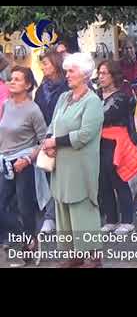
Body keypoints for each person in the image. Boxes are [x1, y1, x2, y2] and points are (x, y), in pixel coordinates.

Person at [41, 53, 105, 268]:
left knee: (82, 208)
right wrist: (49, 141)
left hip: (81, 164)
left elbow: (85, 134)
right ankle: (73, 255)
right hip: (61, 164)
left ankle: (94, 257)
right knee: (63, 206)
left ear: (85, 75)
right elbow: (53, 124)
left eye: (72, 71)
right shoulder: (63, 98)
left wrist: (56, 142)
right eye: (67, 71)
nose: (67, 75)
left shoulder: (93, 101)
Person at [0, 67, 46, 262]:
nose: (12, 82)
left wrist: (27, 159)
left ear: (28, 85)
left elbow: (44, 140)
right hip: (5, 162)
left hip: (24, 164)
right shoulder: (6, 105)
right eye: (11, 79)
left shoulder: (33, 110)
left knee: (25, 207)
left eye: (17, 79)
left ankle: (29, 245)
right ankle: (26, 237)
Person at [97, 60, 137, 235]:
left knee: (119, 180)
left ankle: (127, 220)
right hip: (98, 142)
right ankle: (111, 219)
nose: (101, 77)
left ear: (113, 75)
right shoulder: (95, 95)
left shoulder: (121, 97)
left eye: (104, 73)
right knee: (103, 182)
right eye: (100, 73)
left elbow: (106, 116)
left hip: (116, 142)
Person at [34, 49, 70, 234]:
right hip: (45, 137)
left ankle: (60, 216)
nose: (42, 67)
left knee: (62, 177)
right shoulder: (42, 89)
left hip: (62, 137)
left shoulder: (66, 87)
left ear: (55, 64)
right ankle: (50, 217)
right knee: (48, 174)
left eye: (46, 63)